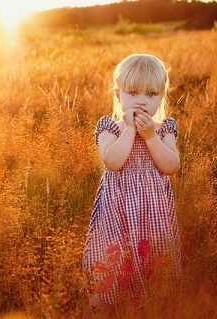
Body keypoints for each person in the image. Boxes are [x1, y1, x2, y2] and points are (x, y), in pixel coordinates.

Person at [83, 54, 181, 316]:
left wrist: (150, 136)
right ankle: (105, 308)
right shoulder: (110, 128)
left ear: (161, 97)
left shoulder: (163, 130)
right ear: (118, 95)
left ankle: (151, 308)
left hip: (153, 214)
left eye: (151, 94)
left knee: (155, 266)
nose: (142, 100)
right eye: (133, 92)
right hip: (118, 213)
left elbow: (170, 165)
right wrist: (129, 130)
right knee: (114, 266)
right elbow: (112, 162)